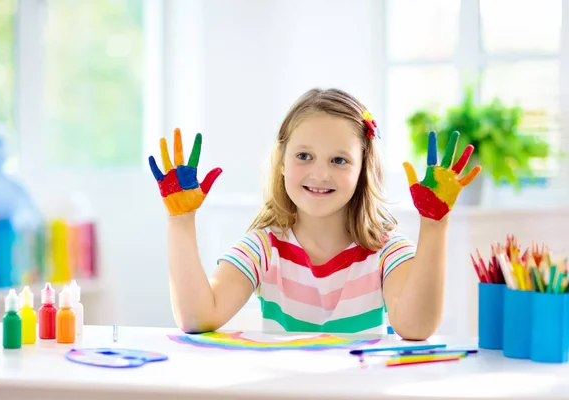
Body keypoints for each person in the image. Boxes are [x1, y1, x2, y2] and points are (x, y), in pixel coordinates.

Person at [148, 88, 481, 340]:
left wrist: (435, 225)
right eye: (304, 156)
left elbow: (416, 327)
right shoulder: (264, 247)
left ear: (363, 168)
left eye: (339, 160)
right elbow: (196, 318)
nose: (320, 174)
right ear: (281, 162)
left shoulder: (386, 250)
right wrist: (180, 221)